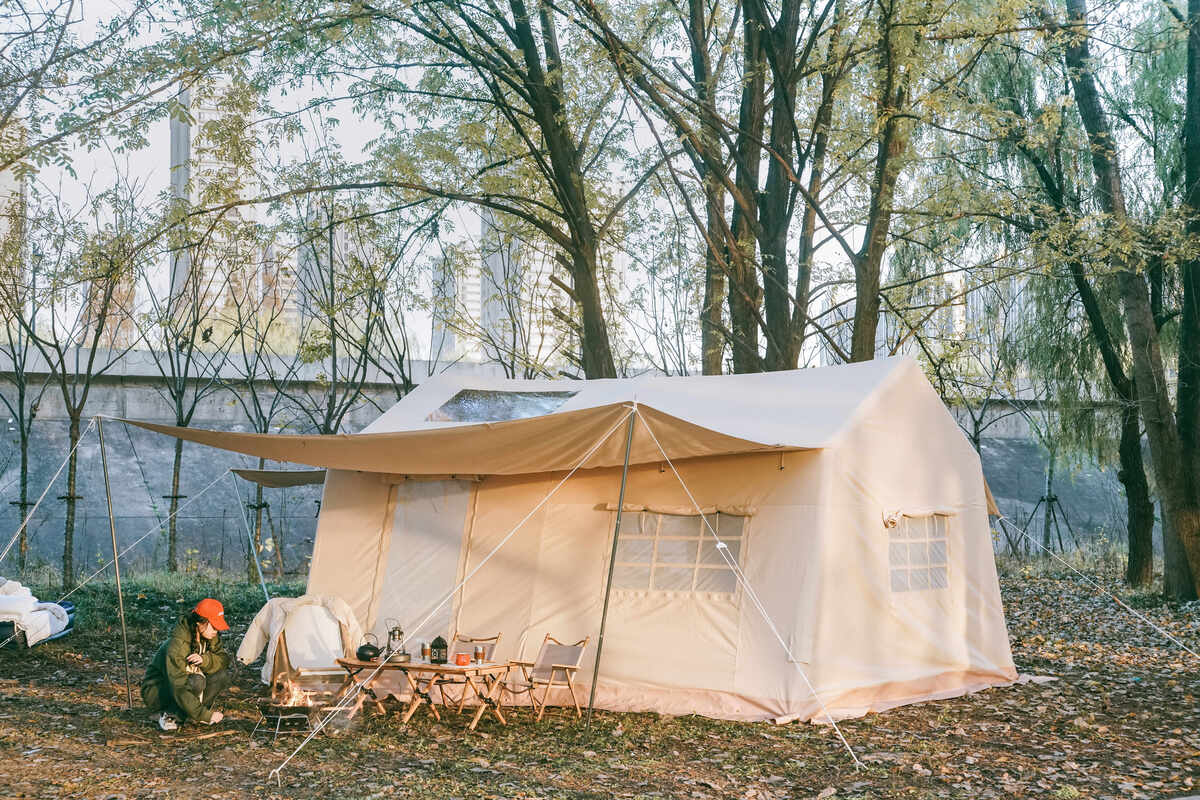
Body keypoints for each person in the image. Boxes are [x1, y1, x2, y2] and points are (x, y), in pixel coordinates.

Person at [141, 597, 233, 731]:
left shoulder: (210, 635)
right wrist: (206, 715)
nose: (216, 631)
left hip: (185, 684)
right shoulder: (178, 645)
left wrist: (205, 660)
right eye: (214, 626)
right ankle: (169, 714)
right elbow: (178, 686)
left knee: (221, 675)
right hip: (157, 691)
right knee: (197, 681)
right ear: (200, 623)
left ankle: (192, 714)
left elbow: (223, 660)